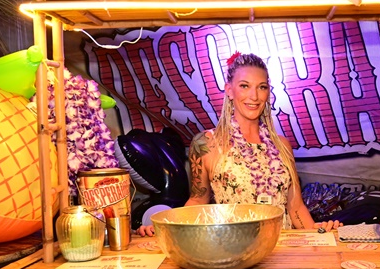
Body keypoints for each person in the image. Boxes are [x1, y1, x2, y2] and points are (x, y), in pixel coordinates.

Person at [137, 52, 341, 236]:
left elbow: (295, 208)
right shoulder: (205, 143)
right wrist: (165, 228)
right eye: (245, 86)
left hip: (282, 248)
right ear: (229, 90)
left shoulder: (282, 145)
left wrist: (319, 231)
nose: (254, 96)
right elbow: (198, 201)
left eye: (262, 87)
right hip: (231, 247)